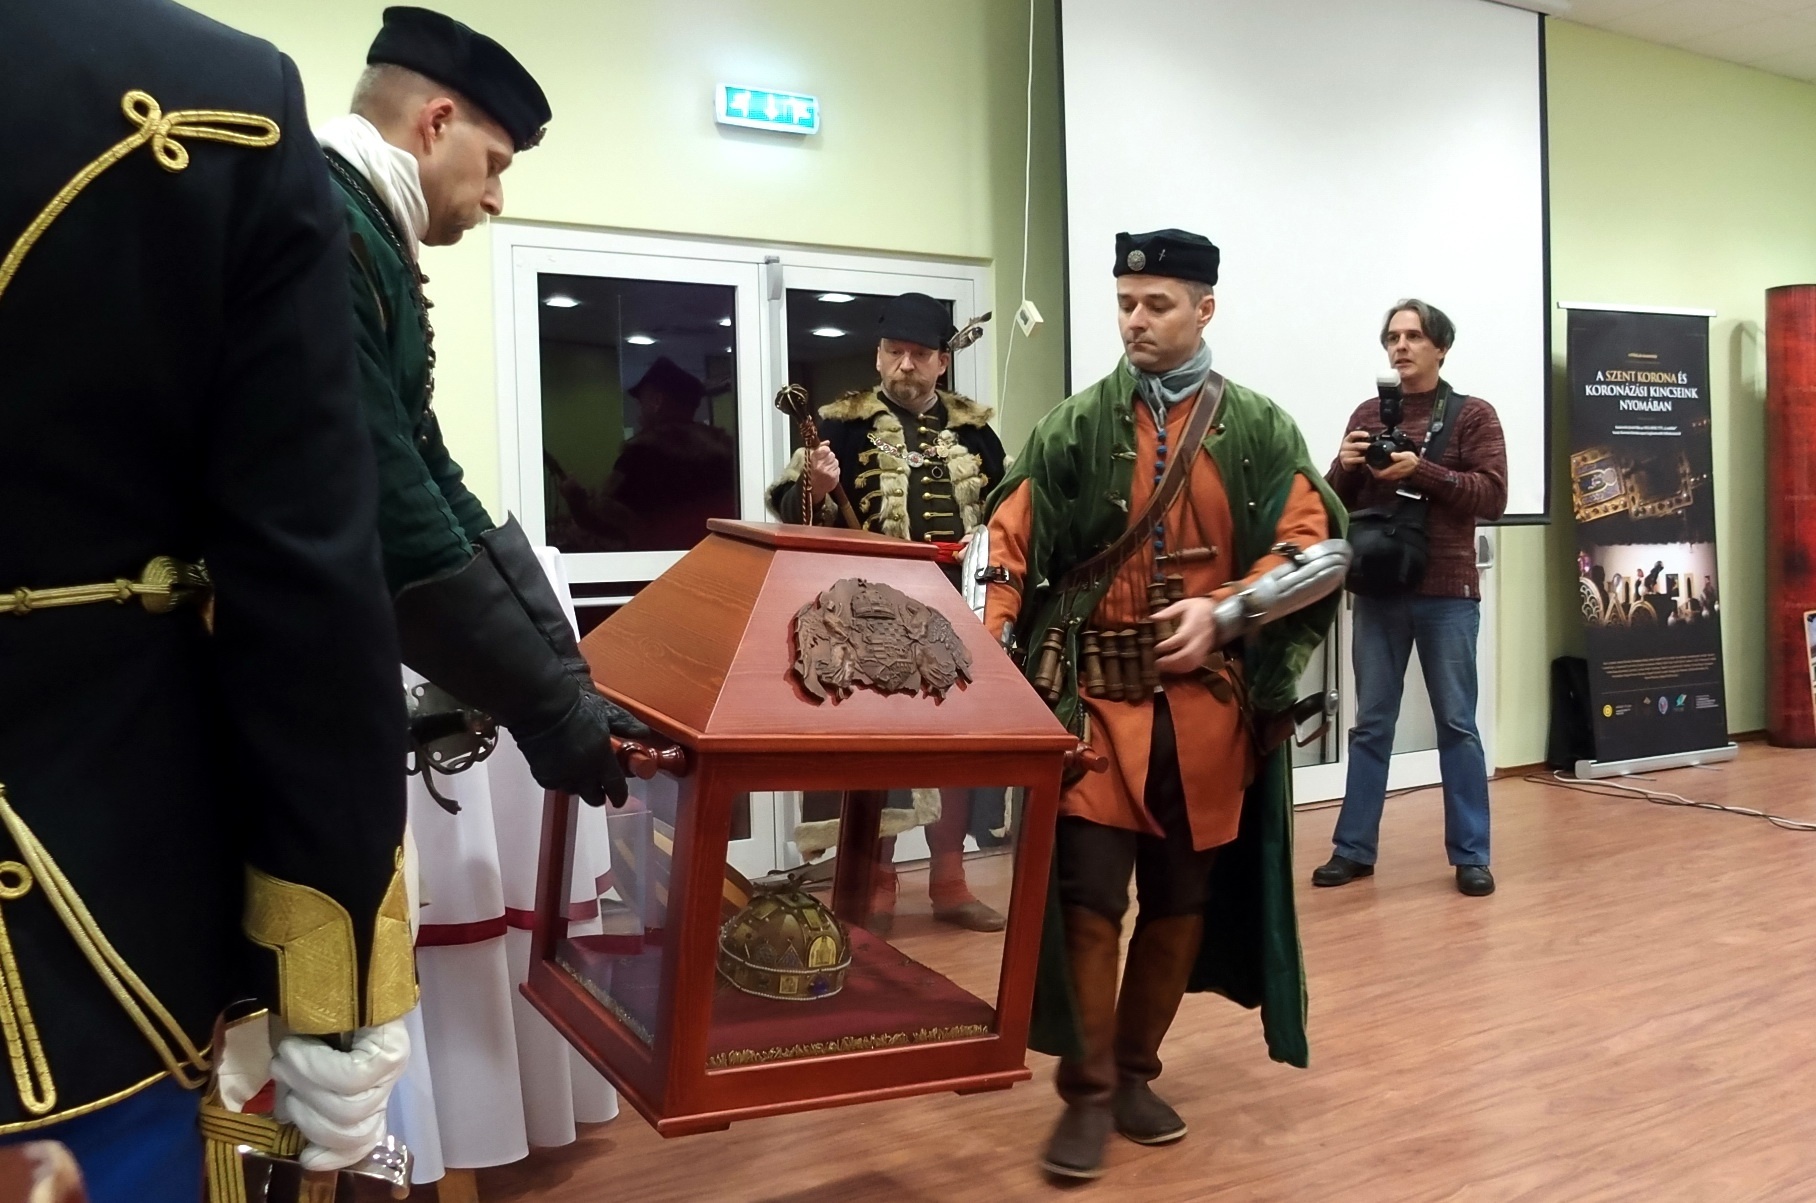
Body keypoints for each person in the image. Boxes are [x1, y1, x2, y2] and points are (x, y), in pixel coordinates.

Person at [0, 1, 419, 1197]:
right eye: (493, 162)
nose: (496, 196)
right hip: (79, 924)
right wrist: (337, 985)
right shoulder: (215, 98)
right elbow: (306, 571)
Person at [980, 230, 1348, 1180]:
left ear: (1203, 309)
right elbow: (1007, 536)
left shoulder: (1258, 427)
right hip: (1095, 709)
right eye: (1125, 303)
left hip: (1207, 718)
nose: (1135, 321)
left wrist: (1227, 611)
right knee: (1089, 897)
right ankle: (1087, 1090)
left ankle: (1136, 1071)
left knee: (1182, 899)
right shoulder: (1075, 423)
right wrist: (993, 639)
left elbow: (1320, 550)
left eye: (1156, 304)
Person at [316, 6, 647, 809]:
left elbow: (430, 468)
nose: (496, 197)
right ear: (435, 123)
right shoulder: (321, 221)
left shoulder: (363, 226)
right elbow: (387, 494)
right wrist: (547, 707)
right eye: (494, 163)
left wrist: (565, 675)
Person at [768, 293, 1011, 934]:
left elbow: (1009, 516)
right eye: (895, 352)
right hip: (869, 619)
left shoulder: (976, 434)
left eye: (920, 355)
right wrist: (817, 489)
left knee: (955, 755)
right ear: (878, 357)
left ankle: (950, 882)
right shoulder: (839, 427)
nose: (906, 365)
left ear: (941, 363)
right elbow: (794, 517)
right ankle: (875, 885)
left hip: (956, 613)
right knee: (880, 757)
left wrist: (990, 554)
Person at [1312, 299, 1508, 897]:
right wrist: (1345, 467)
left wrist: (1418, 470)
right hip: (1379, 588)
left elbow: (1492, 495)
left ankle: (1471, 855)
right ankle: (1353, 849)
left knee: (1457, 724)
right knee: (1371, 724)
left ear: (1440, 347)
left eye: (1414, 336)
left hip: (1447, 592)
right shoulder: (1368, 413)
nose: (1400, 346)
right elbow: (1333, 503)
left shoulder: (1474, 415)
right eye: (1393, 337)